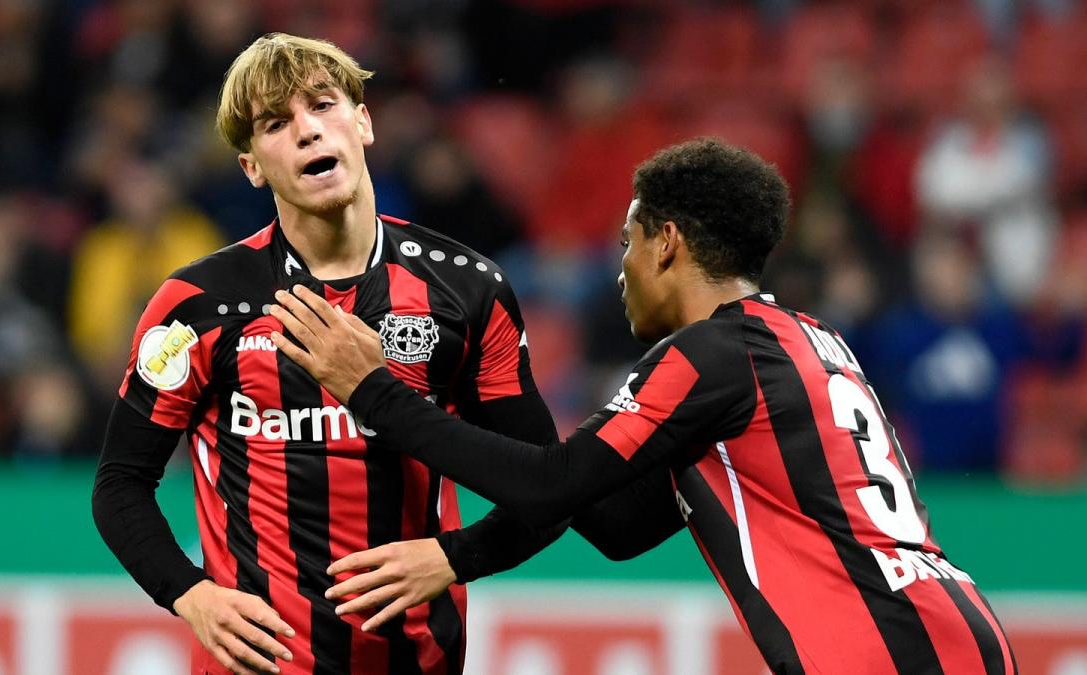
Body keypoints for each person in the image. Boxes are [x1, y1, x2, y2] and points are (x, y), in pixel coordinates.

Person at [269, 139, 1018, 674]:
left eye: (626, 241)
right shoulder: (803, 341)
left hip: (879, 648)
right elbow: (613, 523)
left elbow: (552, 483)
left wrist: (375, 391)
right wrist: (492, 413)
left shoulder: (711, 354)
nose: (620, 269)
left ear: (666, 243)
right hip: (949, 627)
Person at [92, 33, 566, 675]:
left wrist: (455, 557)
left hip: (419, 662)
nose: (307, 131)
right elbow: (120, 484)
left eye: (322, 105)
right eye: (275, 124)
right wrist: (191, 595)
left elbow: (546, 486)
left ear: (363, 122)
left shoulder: (465, 290)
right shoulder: (198, 305)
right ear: (252, 167)